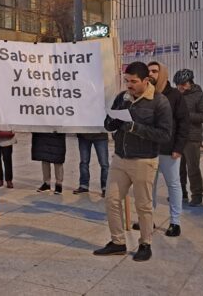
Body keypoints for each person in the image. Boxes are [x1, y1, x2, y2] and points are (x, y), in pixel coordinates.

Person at [94, 62, 172, 262]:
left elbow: (164, 134)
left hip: (144, 161)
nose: (129, 85)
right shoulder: (122, 98)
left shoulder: (159, 101)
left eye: (134, 81)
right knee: (111, 200)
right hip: (120, 158)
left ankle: (145, 244)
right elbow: (108, 122)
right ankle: (117, 242)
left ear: (146, 80)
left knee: (143, 205)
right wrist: (113, 122)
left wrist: (134, 128)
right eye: (127, 80)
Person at [131, 62, 188, 237]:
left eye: (155, 71)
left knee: (173, 184)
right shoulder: (144, 95)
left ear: (162, 73)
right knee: (149, 186)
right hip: (147, 149)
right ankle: (148, 220)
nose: (152, 74)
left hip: (169, 149)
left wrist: (178, 147)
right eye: (149, 71)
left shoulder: (175, 96)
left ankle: (175, 222)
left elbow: (183, 123)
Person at [174, 69, 203, 207]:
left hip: (192, 138)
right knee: (178, 169)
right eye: (178, 84)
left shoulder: (199, 96)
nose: (180, 87)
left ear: (190, 82)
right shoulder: (176, 95)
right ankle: (181, 193)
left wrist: (186, 115)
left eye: (183, 84)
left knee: (193, 168)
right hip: (177, 137)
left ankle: (197, 195)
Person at [74, 133, 109, 197]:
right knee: (84, 162)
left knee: (104, 164)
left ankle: (105, 188)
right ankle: (83, 186)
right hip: (83, 136)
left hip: (101, 136)